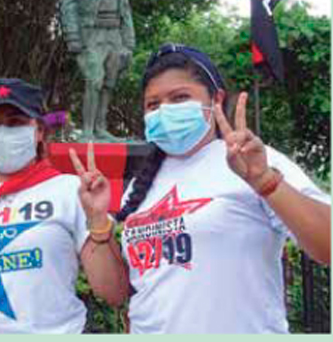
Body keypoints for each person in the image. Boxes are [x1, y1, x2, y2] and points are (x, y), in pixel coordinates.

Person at [111, 43, 331, 333]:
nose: (164, 111)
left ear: (215, 100)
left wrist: (265, 182)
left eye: (179, 98)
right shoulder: (141, 186)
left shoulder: (254, 161)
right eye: (153, 104)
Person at [0, 78, 128, 333]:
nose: (3, 132)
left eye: (15, 123)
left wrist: (97, 219)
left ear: (39, 131)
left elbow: (113, 293)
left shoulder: (70, 191)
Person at [59, 0, 135, 141]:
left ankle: (101, 128)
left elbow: (126, 6)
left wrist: (129, 39)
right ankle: (88, 131)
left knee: (110, 81)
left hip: (114, 32)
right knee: (94, 78)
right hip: (90, 32)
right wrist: (72, 35)